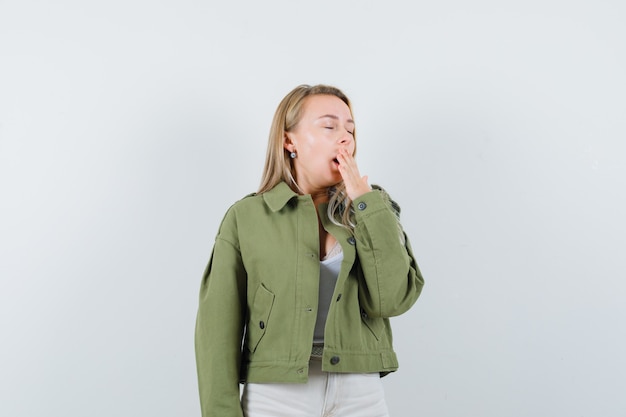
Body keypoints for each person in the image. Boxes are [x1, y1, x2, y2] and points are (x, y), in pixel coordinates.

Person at [195, 84, 424, 417]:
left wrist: (367, 203)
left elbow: (393, 299)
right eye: (329, 126)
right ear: (290, 141)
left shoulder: (372, 210)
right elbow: (216, 331)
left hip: (360, 392)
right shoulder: (246, 218)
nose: (345, 138)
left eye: (350, 128)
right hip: (275, 395)